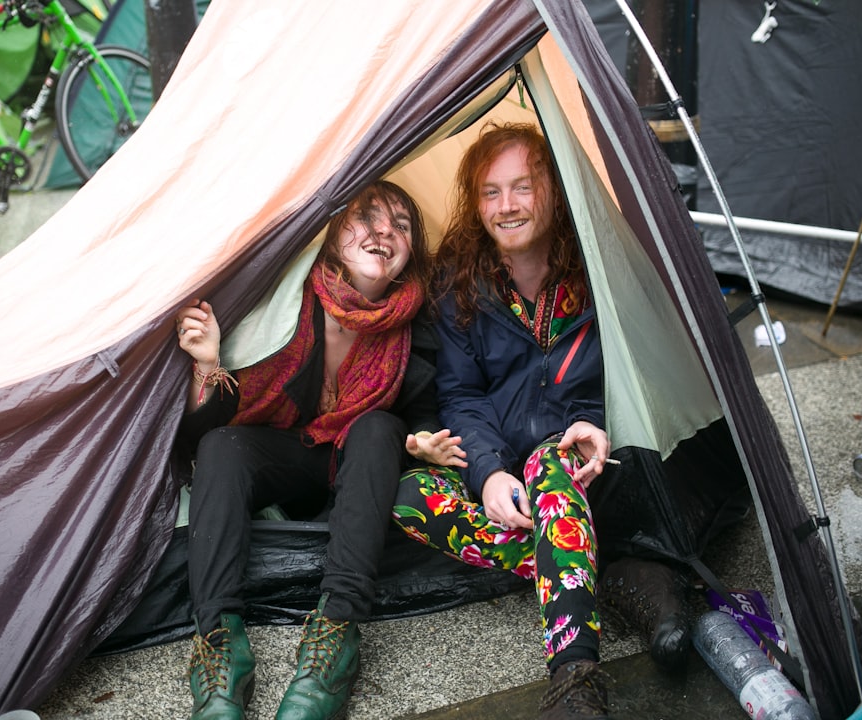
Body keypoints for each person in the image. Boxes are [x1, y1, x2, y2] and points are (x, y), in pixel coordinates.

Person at [392, 122, 688, 720]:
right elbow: (461, 395)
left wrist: (596, 423)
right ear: (476, 206)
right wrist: (488, 472)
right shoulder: (461, 286)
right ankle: (599, 575)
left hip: (582, 465)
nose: (507, 206)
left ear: (553, 190)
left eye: (523, 186)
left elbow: (641, 366)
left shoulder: (599, 269)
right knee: (408, 496)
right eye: (491, 192)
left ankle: (575, 679)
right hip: (511, 473)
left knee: (550, 465)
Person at [173, 180, 466, 720]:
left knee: (380, 426)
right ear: (331, 236)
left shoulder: (414, 321)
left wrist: (421, 440)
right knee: (220, 446)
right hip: (286, 452)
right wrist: (210, 364)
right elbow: (193, 437)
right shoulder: (287, 297)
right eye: (366, 217)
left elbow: (422, 407)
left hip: (357, 463)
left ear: (410, 254)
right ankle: (219, 647)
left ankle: (335, 637)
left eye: (400, 225)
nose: (383, 232)